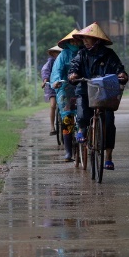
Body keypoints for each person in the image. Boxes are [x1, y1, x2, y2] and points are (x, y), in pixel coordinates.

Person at [67, 22, 128, 170]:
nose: (85, 41)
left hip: (105, 90)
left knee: (108, 122)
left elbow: (119, 68)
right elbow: (74, 67)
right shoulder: (81, 54)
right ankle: (82, 130)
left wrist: (121, 74)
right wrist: (73, 75)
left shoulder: (109, 54)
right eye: (84, 38)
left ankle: (108, 156)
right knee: (82, 114)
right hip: (85, 88)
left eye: (88, 38)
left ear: (97, 40)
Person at [48, 28, 84, 162]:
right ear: (68, 42)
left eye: (77, 40)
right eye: (72, 41)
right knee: (67, 118)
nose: (74, 43)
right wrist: (56, 81)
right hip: (65, 87)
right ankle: (68, 151)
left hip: (82, 85)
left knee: (86, 112)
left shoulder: (84, 52)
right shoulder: (63, 55)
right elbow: (57, 70)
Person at [41, 45, 62, 135]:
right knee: (53, 105)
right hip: (52, 87)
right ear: (53, 53)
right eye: (56, 53)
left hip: (62, 85)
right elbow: (45, 72)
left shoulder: (64, 61)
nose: (58, 54)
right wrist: (45, 81)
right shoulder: (50, 63)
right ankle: (52, 127)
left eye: (59, 53)